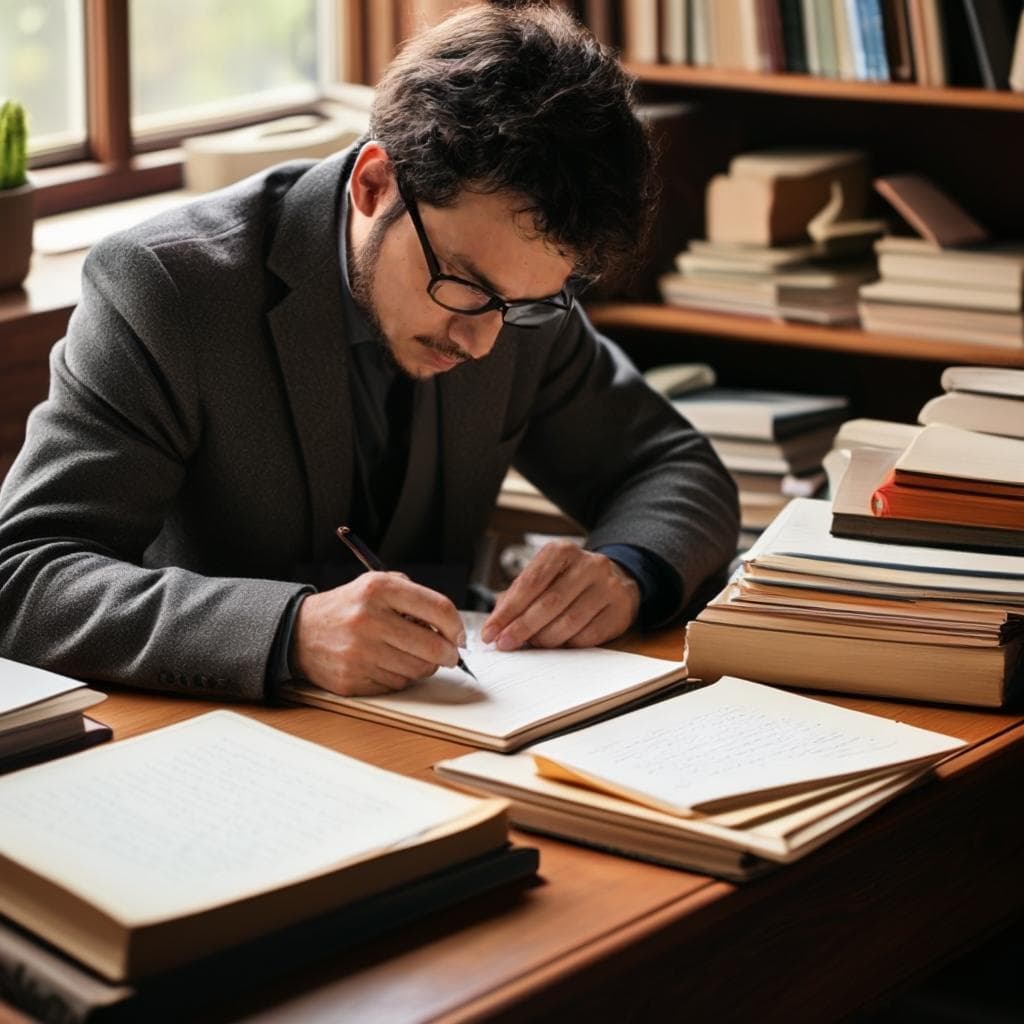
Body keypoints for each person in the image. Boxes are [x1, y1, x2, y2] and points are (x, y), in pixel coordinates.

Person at [0, 3, 738, 701]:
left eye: (525, 304)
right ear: (374, 183)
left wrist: (627, 572)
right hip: (215, 742)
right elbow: (24, 577)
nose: (483, 342)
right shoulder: (168, 289)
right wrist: (288, 633)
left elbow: (674, 467)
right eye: (464, 287)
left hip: (453, 730)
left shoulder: (514, 302)